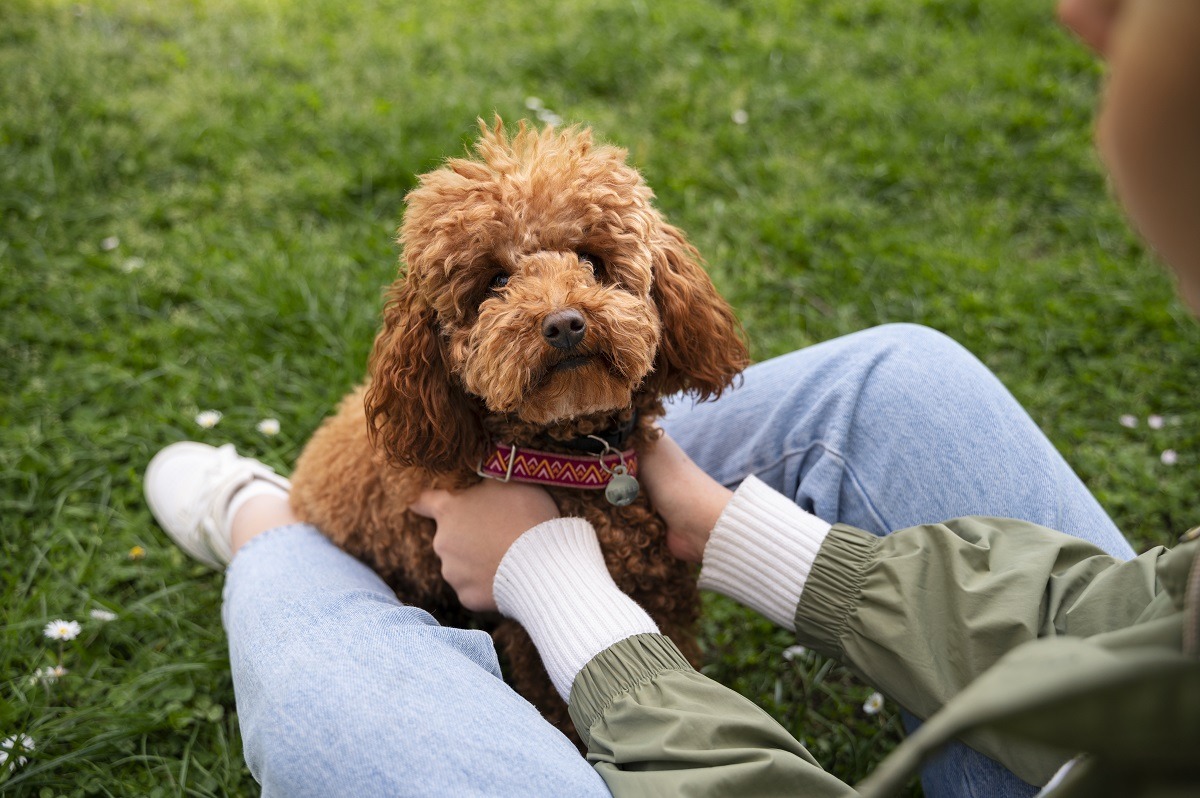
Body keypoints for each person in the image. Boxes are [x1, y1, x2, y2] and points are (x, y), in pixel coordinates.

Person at [142, 1, 1200, 795]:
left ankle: (266, 534)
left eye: (600, 267)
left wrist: (545, 580)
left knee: (326, 678)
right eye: (497, 286)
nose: (562, 311)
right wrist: (722, 524)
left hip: (560, 528)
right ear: (439, 341)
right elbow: (1142, 629)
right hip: (466, 501)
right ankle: (301, 530)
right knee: (903, 373)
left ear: (659, 287)